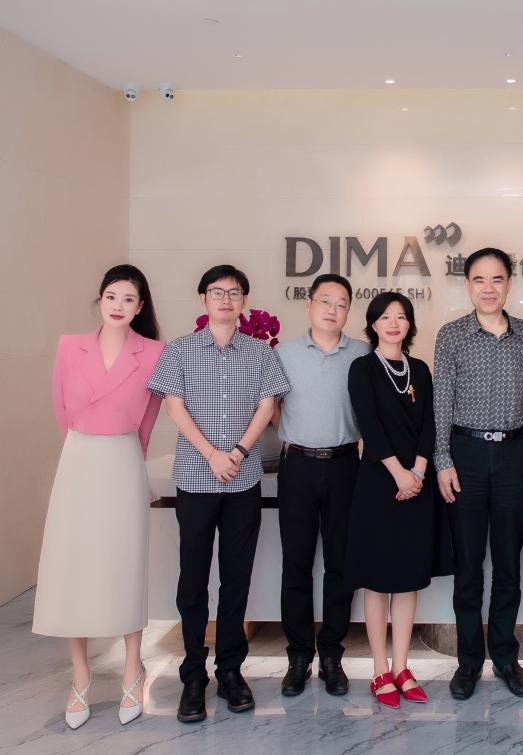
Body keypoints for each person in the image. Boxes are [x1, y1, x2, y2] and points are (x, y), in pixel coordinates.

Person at [147, 264, 291, 724]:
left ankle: (230, 670)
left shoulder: (260, 353)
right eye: (217, 292)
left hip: (242, 481)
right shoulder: (179, 350)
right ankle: (193, 675)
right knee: (192, 579)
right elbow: (174, 406)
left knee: (236, 578)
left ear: (244, 301)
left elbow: (268, 405)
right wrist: (211, 454)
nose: (226, 299)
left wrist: (239, 452)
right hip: (195, 479)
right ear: (203, 299)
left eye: (234, 293)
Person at [34, 264, 163, 729]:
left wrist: (132, 461)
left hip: (124, 458)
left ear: (140, 306)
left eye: (129, 299)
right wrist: (85, 443)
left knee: (124, 562)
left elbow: (148, 421)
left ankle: (132, 669)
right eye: (112, 296)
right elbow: (62, 410)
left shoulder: (154, 352)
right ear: (100, 299)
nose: (118, 306)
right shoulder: (70, 346)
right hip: (78, 458)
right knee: (73, 565)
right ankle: (81, 676)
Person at [434, 248, 523, 700]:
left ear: (509, 284)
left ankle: (506, 657)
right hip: (466, 456)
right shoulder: (452, 335)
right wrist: (442, 460)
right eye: (479, 279)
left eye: (497, 279)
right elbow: (441, 402)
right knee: (469, 567)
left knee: (508, 564)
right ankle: (469, 661)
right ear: (468, 285)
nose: (489, 288)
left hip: (513, 456)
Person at [344, 292, 453, 709]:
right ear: (373, 324)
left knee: (408, 578)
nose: (394, 323)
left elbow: (430, 425)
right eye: (386, 317)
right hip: (378, 483)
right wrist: (399, 473)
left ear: (410, 325)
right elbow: (369, 426)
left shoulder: (420, 370)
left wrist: (419, 472)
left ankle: (403, 667)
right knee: (378, 579)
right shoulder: (362, 368)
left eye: (401, 317)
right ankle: (379, 669)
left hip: (417, 486)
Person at [273, 273, 370, 697]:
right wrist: (296, 433)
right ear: (309, 304)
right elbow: (270, 407)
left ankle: (331, 654)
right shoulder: (283, 353)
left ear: (349, 310)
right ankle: (298, 656)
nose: (333, 309)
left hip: (346, 465)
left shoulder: (362, 353)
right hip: (297, 466)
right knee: (295, 563)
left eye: (341, 303)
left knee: (340, 564)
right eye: (325, 300)